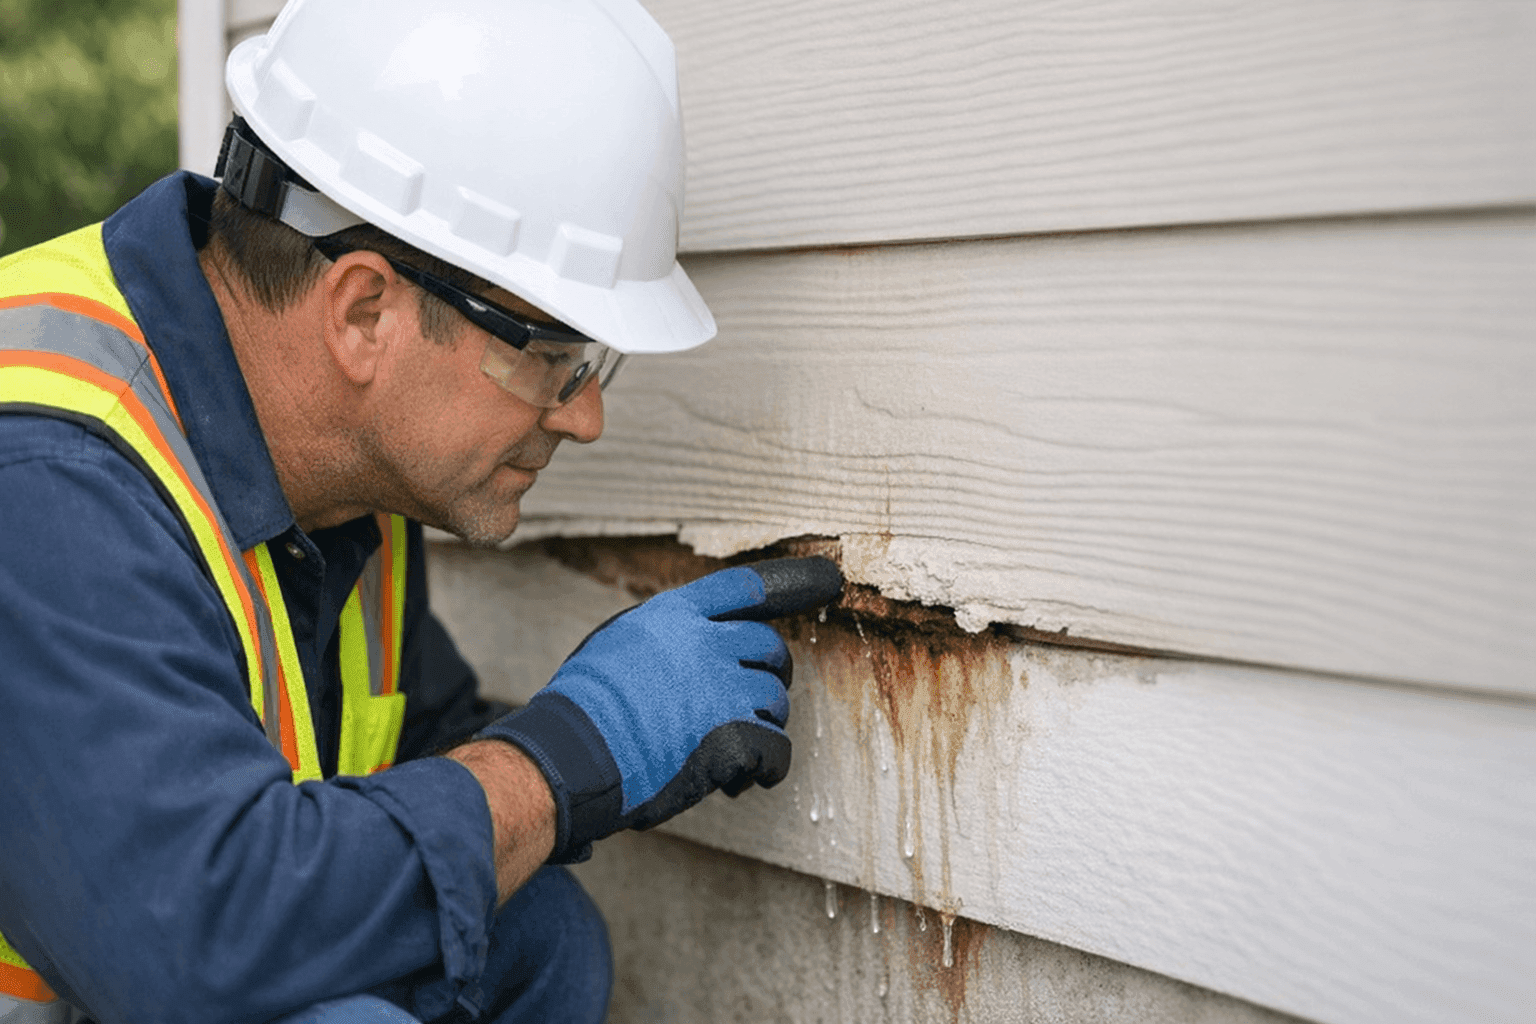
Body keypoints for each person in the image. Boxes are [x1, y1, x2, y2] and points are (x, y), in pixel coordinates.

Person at [0, 2, 838, 1022]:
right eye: (553, 357)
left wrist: (605, 746)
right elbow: (198, 932)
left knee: (535, 942)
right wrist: (567, 753)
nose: (587, 416)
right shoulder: (48, 473)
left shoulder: (332, 475)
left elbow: (397, 758)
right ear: (363, 313)